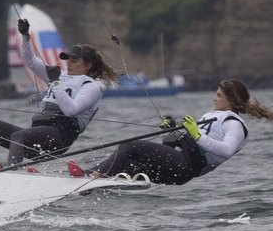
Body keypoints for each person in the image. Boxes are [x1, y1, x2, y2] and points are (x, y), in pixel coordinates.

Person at [0, 18, 117, 167]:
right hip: (36, 135)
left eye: (75, 60)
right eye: (68, 59)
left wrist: (57, 84)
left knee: (20, 136)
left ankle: (11, 170)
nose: (69, 63)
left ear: (88, 64)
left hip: (59, 138)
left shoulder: (91, 86)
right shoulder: (59, 75)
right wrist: (25, 36)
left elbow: (71, 110)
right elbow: (30, 61)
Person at [69, 79, 273, 184]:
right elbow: (171, 146)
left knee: (129, 146)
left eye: (219, 95)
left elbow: (226, 150)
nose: (214, 98)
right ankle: (80, 178)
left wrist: (196, 134)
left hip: (187, 167)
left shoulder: (234, 124)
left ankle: (91, 176)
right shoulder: (212, 115)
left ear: (231, 100)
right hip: (179, 162)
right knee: (126, 163)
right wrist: (171, 131)